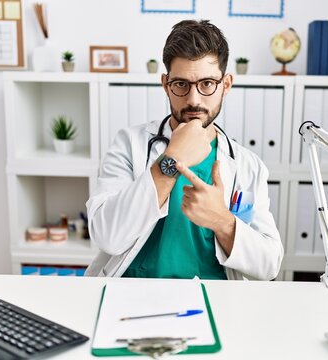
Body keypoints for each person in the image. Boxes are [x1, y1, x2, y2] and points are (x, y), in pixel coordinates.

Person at [85, 19, 283, 280]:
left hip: (213, 297)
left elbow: (269, 265)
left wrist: (222, 221)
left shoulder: (248, 165)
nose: (193, 99)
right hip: (132, 293)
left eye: (207, 84)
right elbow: (107, 237)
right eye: (181, 84)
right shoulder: (128, 144)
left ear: (226, 84)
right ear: (165, 83)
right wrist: (171, 159)